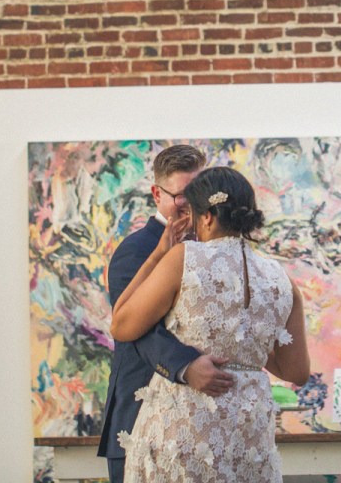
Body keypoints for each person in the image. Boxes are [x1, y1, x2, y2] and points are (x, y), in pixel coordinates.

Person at [110, 166, 311, 483]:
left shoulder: (183, 258)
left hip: (184, 432)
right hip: (247, 439)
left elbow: (122, 325)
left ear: (206, 217)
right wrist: (246, 349)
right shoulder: (282, 280)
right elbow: (296, 372)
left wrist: (159, 254)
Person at [98, 146, 237, 483]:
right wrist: (186, 366)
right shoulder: (135, 251)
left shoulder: (214, 249)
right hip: (140, 419)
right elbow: (136, 328)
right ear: (156, 194)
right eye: (180, 195)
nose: (191, 203)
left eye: (199, 192)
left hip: (203, 427)